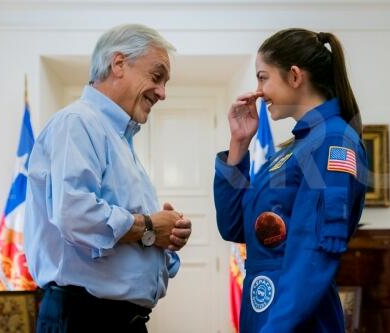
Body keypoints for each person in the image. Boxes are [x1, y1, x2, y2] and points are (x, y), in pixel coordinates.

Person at [24, 24, 192, 333]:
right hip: (85, 319)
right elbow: (75, 214)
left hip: (118, 320)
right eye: (156, 77)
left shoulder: (119, 140)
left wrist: (165, 240)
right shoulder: (78, 123)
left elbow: (125, 241)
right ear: (118, 64)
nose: (163, 93)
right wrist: (152, 226)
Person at [213, 28, 368, 332]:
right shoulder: (296, 149)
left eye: (262, 77)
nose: (257, 90)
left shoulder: (333, 140)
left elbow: (314, 250)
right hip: (266, 310)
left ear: (295, 76)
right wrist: (238, 144)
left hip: (295, 317)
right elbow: (233, 226)